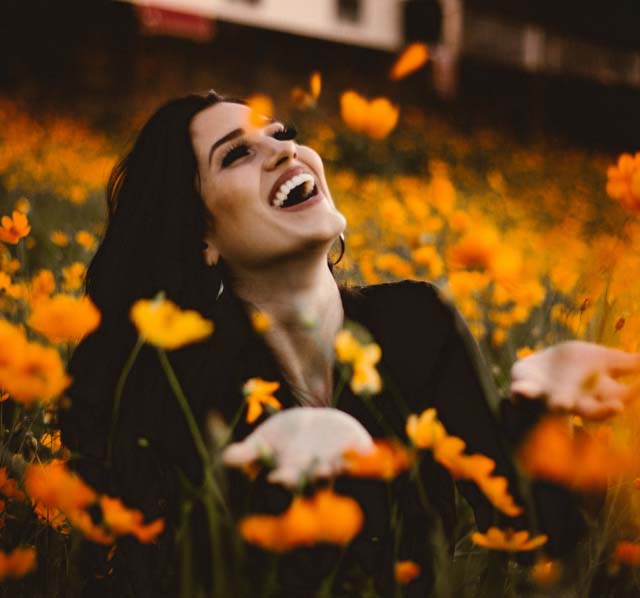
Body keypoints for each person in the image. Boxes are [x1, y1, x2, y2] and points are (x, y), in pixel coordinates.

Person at [60, 91, 640, 597]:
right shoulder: (191, 395)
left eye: (281, 134)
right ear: (201, 238)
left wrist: (541, 412)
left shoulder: (418, 324)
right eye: (237, 153)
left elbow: (537, 540)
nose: (285, 151)